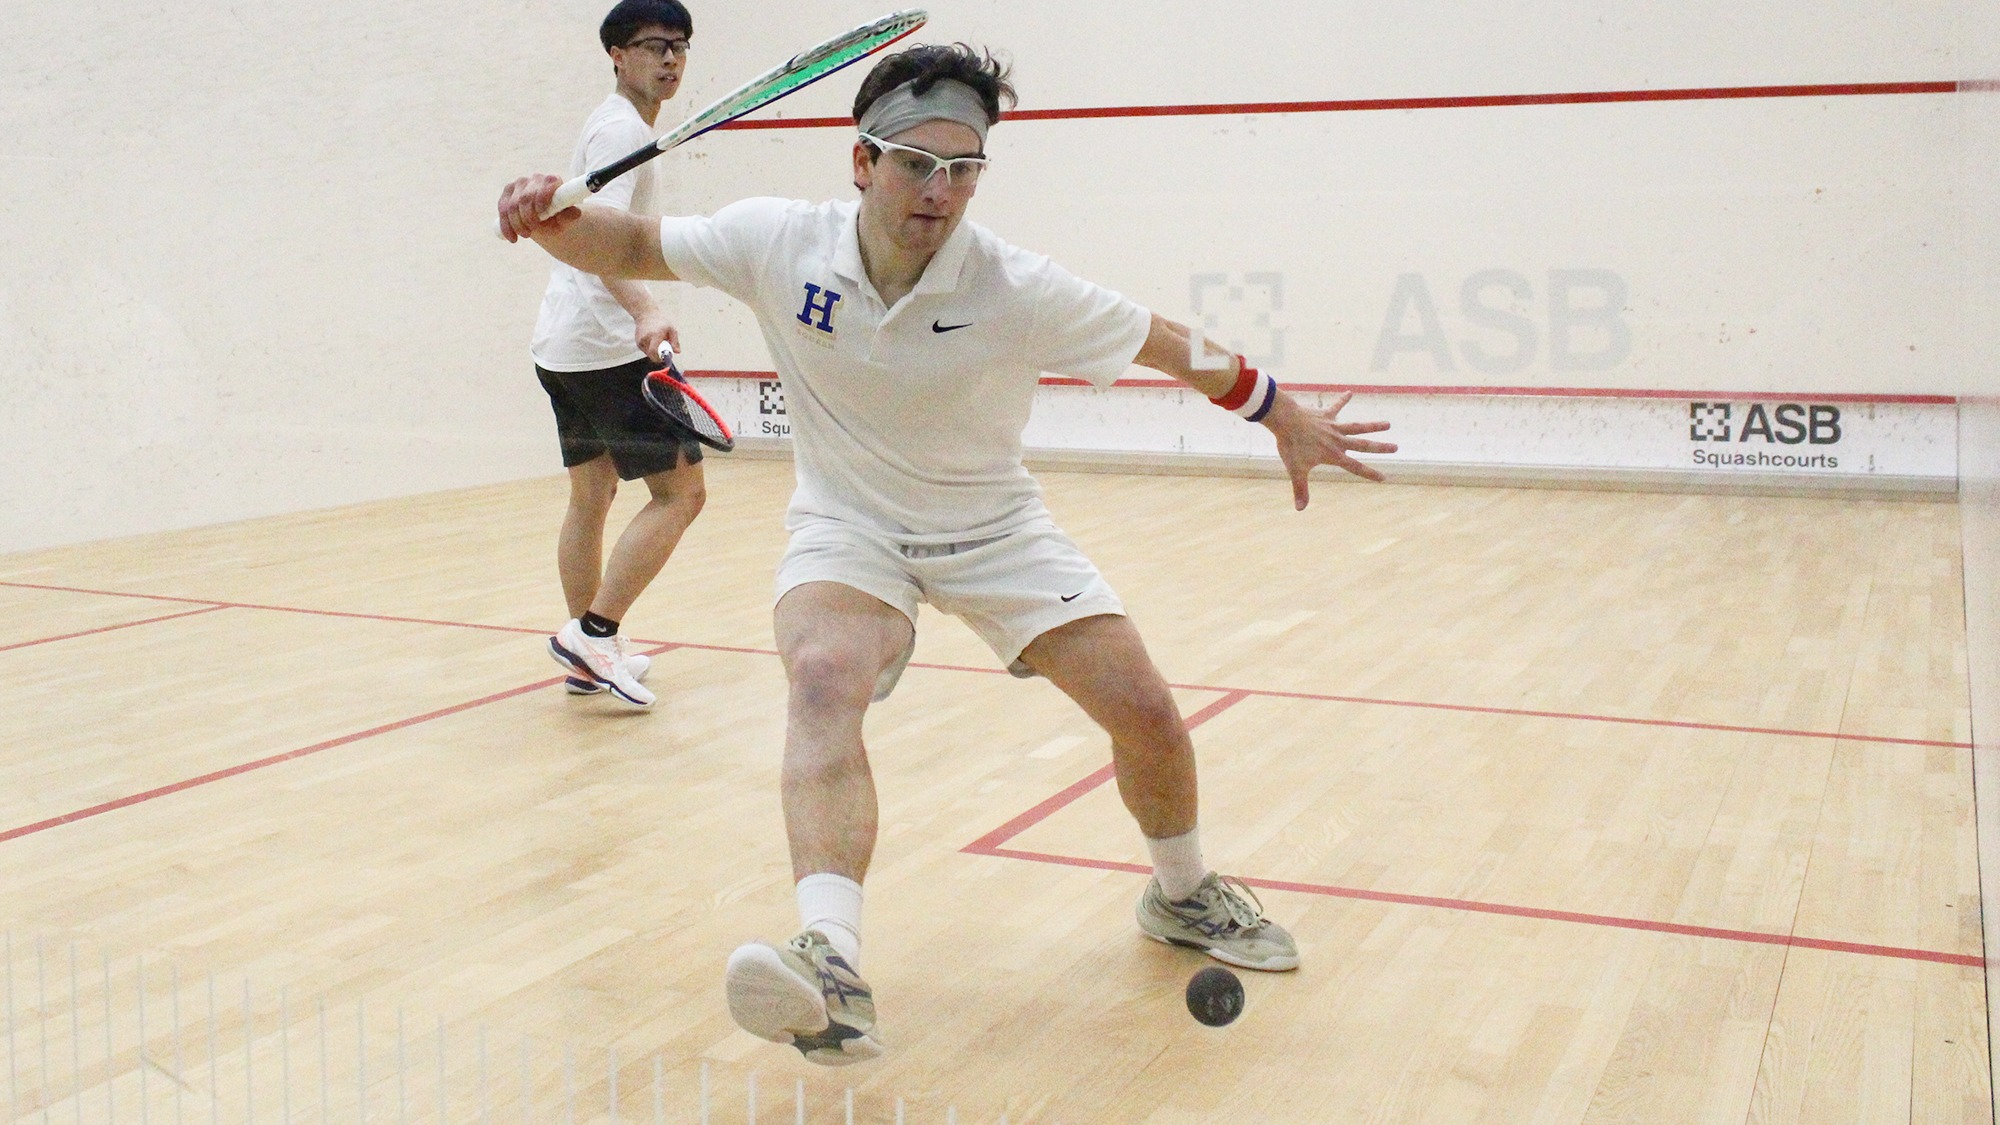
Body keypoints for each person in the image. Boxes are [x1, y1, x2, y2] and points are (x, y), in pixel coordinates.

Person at [498, 43, 1395, 1064]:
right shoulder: (773, 241)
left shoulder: (1014, 284)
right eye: (915, 164)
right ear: (859, 162)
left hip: (995, 530)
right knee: (822, 675)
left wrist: (1276, 411)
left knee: (1144, 710)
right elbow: (630, 240)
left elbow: (1163, 341)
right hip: (848, 528)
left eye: (963, 168)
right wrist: (549, 215)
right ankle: (829, 962)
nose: (940, 190)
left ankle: (1183, 893)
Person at [533, 0, 705, 709]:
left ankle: (588, 651)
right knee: (682, 494)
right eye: (653, 45)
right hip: (606, 348)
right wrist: (645, 307)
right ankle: (596, 633)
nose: (670, 58)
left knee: (593, 494)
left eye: (680, 46)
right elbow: (599, 240)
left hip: (562, 345)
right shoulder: (620, 132)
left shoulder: (614, 126)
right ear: (616, 54)